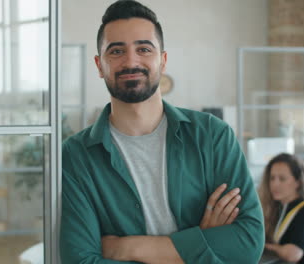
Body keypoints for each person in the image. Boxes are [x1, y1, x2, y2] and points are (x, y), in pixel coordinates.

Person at [60, 0, 264, 263]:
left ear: (163, 60)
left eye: (144, 49)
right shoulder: (77, 156)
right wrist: (198, 242)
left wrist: (127, 249)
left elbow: (248, 243)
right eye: (116, 51)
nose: (131, 61)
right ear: (100, 65)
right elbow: (80, 260)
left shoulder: (212, 136)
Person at [258, 153, 304, 264]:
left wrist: (268, 247)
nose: (275, 184)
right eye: (272, 178)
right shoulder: (277, 207)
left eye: (282, 179)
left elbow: (293, 254)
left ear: (298, 182)